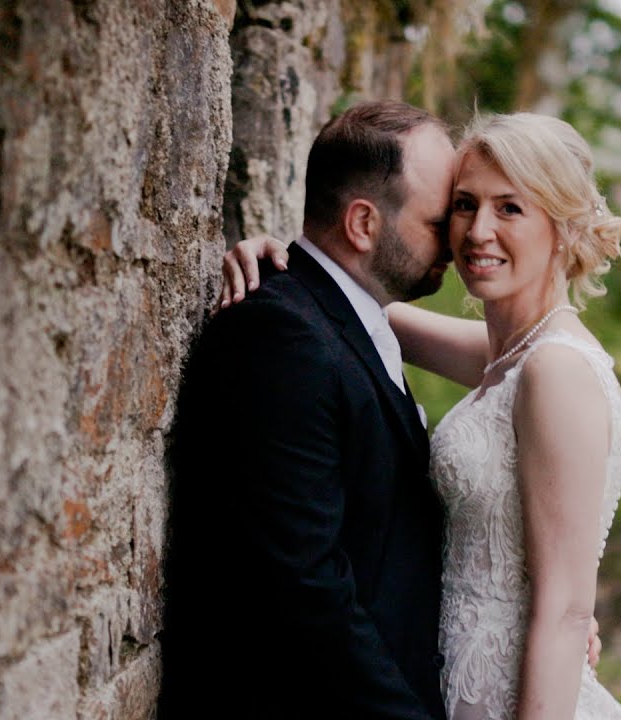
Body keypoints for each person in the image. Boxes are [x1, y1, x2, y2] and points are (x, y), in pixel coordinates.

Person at [224, 111, 621, 719]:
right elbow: (348, 312)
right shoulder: (507, 355)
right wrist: (280, 256)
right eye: (464, 205)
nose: (476, 232)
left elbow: (566, 610)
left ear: (563, 226)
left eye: (511, 209)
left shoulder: (555, 370)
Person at [161, 100, 457, 720]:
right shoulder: (283, 338)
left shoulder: (343, 317)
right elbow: (303, 583)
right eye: (437, 222)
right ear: (363, 224)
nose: (455, 243)